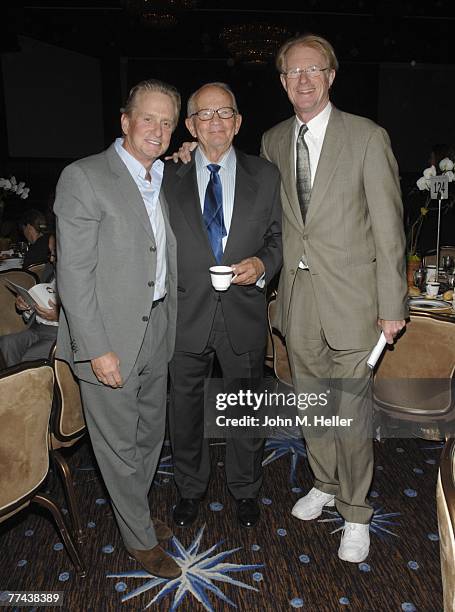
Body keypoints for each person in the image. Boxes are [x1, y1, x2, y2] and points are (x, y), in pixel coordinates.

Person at [260, 34, 408, 563]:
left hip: (354, 302)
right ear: (282, 82)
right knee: (312, 405)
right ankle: (324, 482)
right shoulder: (273, 140)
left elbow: (390, 229)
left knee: (351, 411)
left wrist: (393, 304)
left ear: (331, 76)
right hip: (298, 301)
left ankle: (355, 511)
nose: (303, 80)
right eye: (292, 72)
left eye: (313, 70)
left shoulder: (366, 137)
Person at [54, 78, 181, 579]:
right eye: (148, 118)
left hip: (156, 329)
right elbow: (74, 276)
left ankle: (136, 511)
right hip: (108, 337)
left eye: (167, 121)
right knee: (116, 445)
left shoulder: (161, 176)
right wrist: (96, 349)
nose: (158, 129)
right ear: (125, 121)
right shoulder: (85, 177)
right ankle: (138, 538)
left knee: (150, 436)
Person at [163, 82, 282, 529]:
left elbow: (279, 239)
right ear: (191, 125)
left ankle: (246, 489)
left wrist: (263, 264)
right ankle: (190, 488)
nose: (215, 122)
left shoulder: (265, 176)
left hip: (243, 313)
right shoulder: (166, 175)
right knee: (185, 410)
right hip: (184, 315)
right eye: (205, 115)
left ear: (238, 123)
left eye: (225, 113)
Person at [0, 278, 58, 368]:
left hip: (61, 334)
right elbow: (39, 304)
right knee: (6, 343)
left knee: (27, 360)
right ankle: (16, 380)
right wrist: (26, 306)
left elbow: (84, 318)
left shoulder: (82, 278)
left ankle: (25, 379)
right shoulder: (51, 272)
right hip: (37, 328)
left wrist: (59, 317)